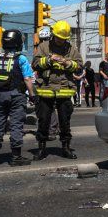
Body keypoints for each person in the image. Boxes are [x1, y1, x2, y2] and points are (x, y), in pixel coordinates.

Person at [32, 20, 83, 160]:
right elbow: (35, 64)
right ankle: (41, 148)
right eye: (59, 38)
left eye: (63, 39)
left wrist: (67, 63)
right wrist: (48, 61)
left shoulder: (71, 49)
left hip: (64, 90)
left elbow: (79, 66)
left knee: (65, 121)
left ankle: (66, 148)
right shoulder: (43, 47)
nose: (61, 41)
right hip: (46, 89)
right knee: (43, 120)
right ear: (54, 35)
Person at [0, 29, 37, 166]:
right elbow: (27, 79)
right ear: (17, 43)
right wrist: (32, 96)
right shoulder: (21, 59)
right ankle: (16, 157)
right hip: (16, 95)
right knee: (16, 125)